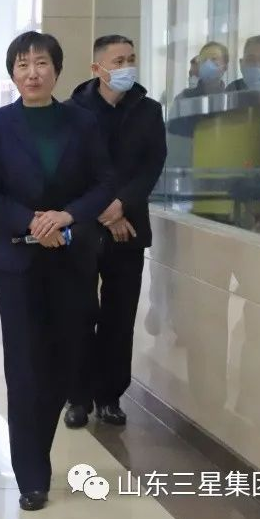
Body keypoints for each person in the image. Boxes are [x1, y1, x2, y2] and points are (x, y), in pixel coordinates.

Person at [0, 31, 112, 512]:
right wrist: (32, 221)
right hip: (17, 261)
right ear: (12, 72)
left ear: (57, 69)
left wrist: (66, 216)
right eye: (23, 65)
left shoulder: (83, 122)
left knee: (64, 359)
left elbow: (103, 183)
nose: (32, 73)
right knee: (26, 364)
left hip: (72, 258)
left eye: (42, 64)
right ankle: (31, 473)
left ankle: (39, 447)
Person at [64, 35, 166, 429]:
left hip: (130, 226)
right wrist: (106, 212)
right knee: (78, 313)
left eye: (131, 59)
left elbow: (152, 164)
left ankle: (109, 395)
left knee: (119, 316)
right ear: (97, 69)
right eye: (118, 61)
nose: (126, 67)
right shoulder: (73, 111)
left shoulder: (148, 110)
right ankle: (77, 395)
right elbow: (72, 170)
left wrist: (123, 204)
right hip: (84, 227)